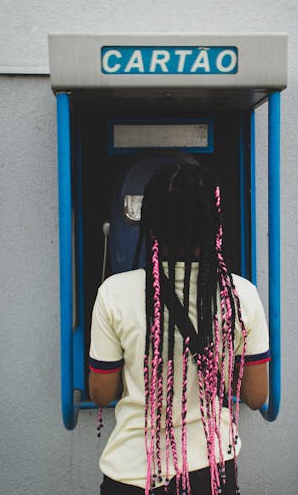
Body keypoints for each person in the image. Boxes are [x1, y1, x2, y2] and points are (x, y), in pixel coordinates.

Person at [89, 157, 270, 495]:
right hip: (211, 471)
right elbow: (257, 395)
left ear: (149, 222)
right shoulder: (240, 294)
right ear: (212, 222)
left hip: (133, 472)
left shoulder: (114, 293)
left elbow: (101, 392)